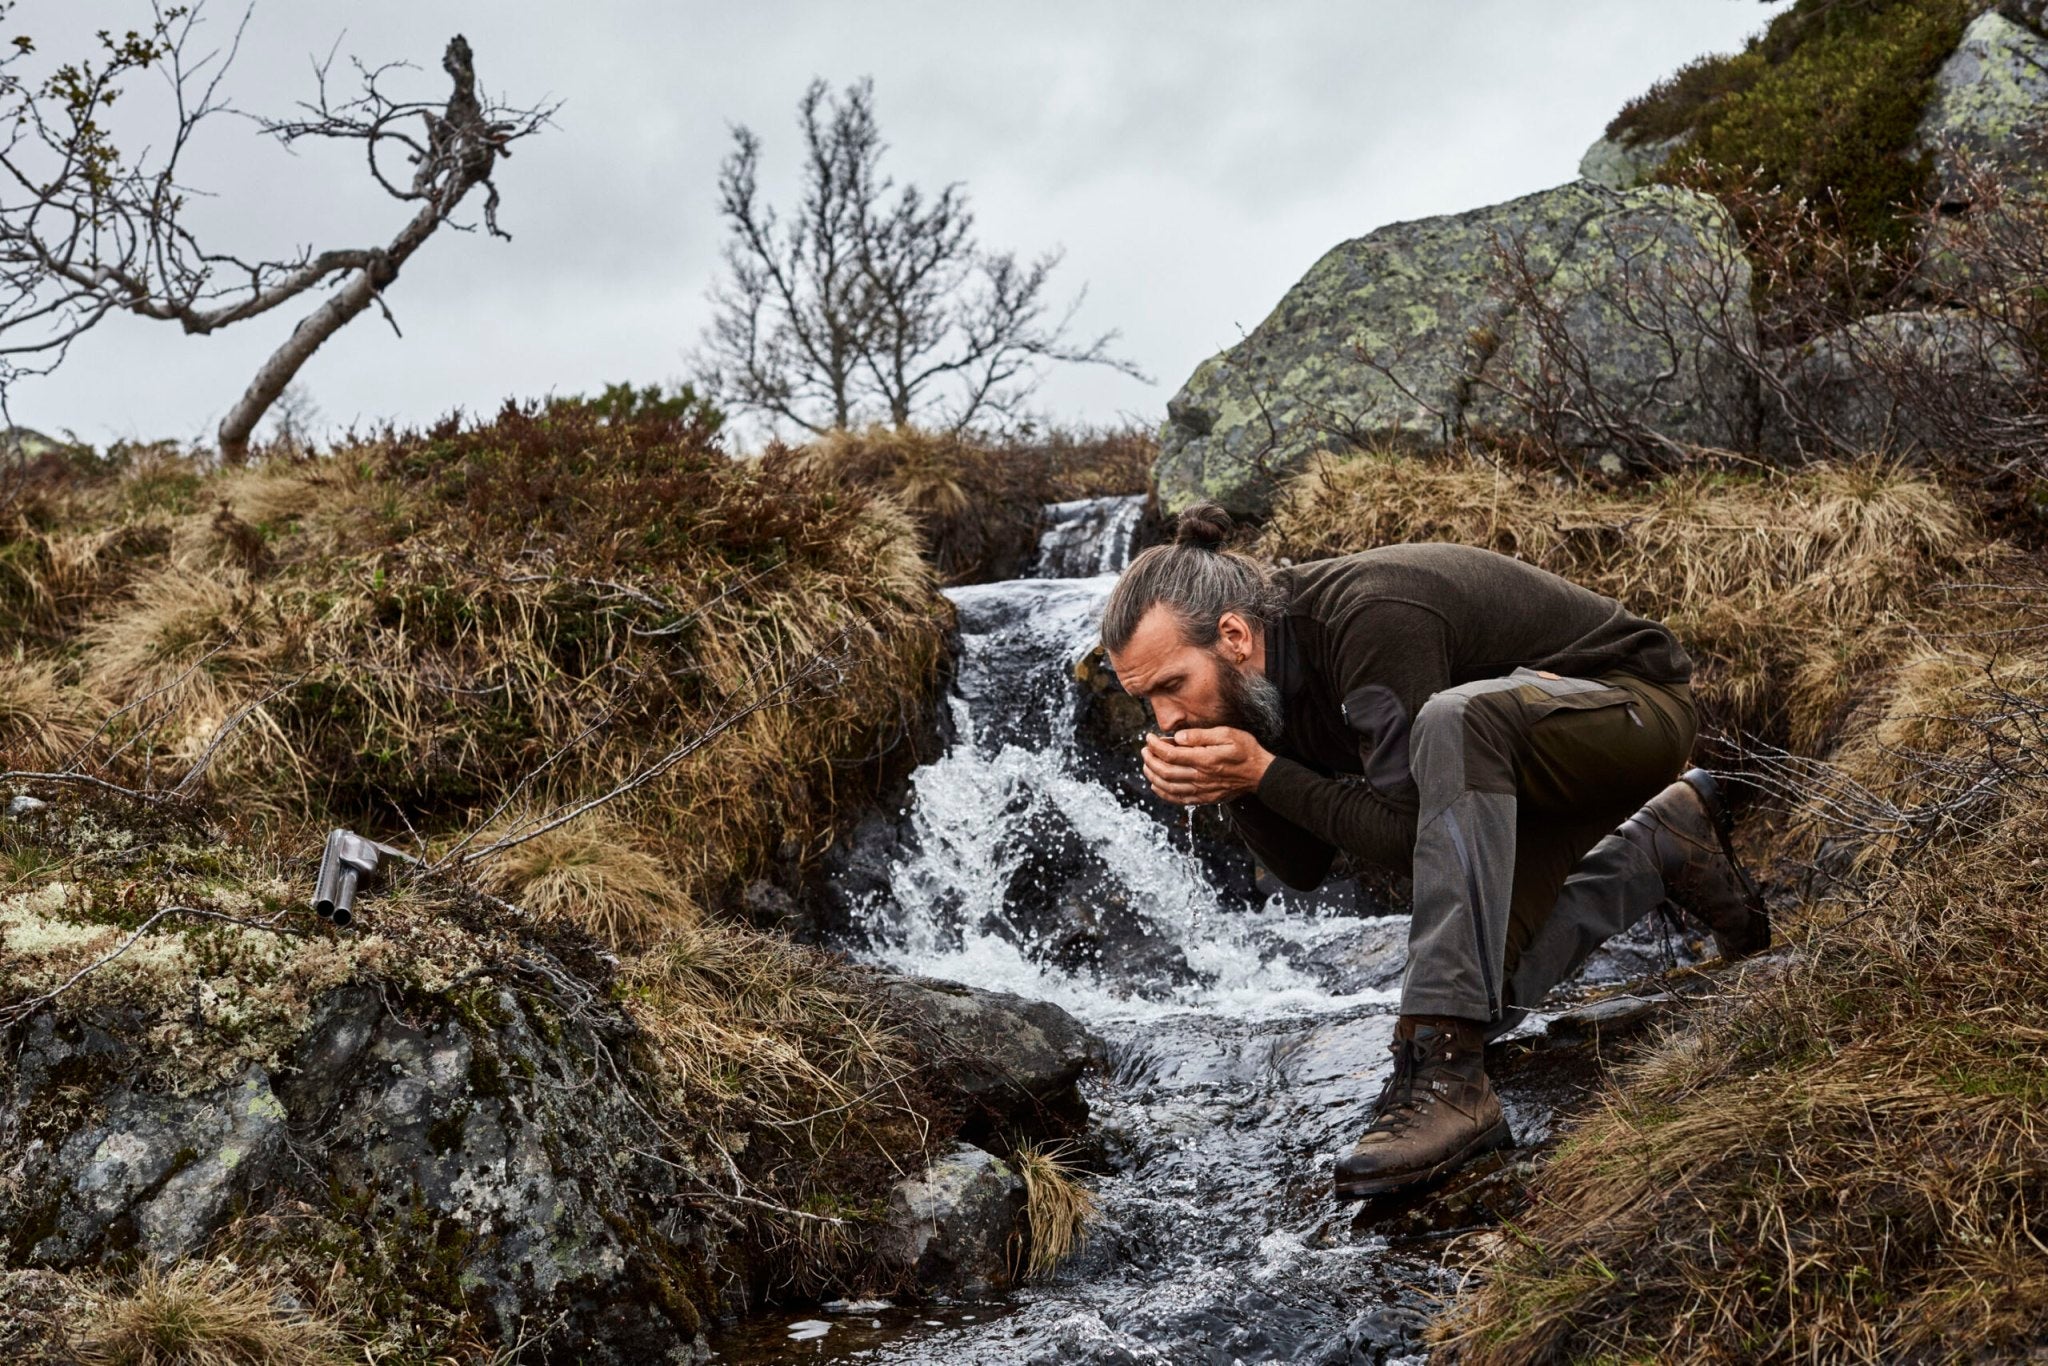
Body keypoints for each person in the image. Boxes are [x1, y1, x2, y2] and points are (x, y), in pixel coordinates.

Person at [1100, 502, 1770, 1199]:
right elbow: (1303, 867)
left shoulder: (1367, 621)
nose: (1167, 719)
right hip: (1505, 779)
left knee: (1454, 719)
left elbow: (1410, 834)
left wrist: (1261, 773)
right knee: (1486, 993)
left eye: (1173, 686)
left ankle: (1449, 1081)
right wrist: (1229, 780)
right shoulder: (1255, 686)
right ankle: (1664, 844)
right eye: (1148, 700)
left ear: (1233, 636)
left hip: (1630, 709)